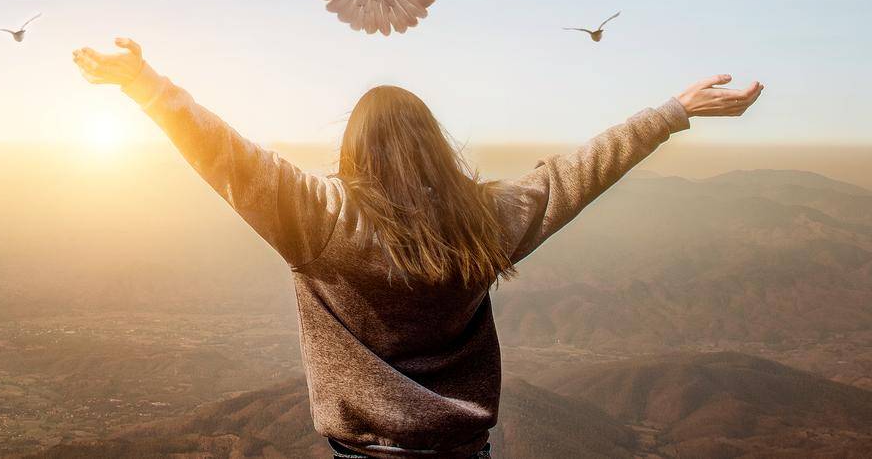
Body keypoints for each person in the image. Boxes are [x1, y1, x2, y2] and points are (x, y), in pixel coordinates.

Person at [72, 37, 763, 459]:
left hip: (364, 453)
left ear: (353, 147)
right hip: (464, 451)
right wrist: (673, 113)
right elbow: (578, 172)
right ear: (434, 144)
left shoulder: (321, 219)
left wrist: (145, 85)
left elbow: (228, 155)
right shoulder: (483, 220)